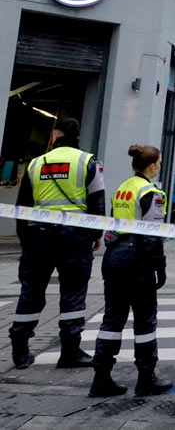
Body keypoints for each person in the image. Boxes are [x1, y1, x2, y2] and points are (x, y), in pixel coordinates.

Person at [9, 117, 105, 369]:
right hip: (73, 238)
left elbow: (22, 208)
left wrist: (25, 242)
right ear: (77, 137)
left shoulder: (35, 164)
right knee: (73, 292)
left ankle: (20, 349)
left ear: (55, 136)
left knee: (31, 291)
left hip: (38, 237)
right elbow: (97, 203)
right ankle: (70, 351)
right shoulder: (88, 162)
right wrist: (95, 235)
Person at [89, 145, 173, 397]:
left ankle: (101, 377)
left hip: (115, 255)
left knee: (112, 319)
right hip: (138, 257)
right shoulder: (152, 192)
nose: (160, 165)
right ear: (152, 166)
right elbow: (153, 234)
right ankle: (146, 378)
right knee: (145, 319)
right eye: (159, 162)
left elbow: (114, 223)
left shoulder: (123, 187)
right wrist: (160, 266)